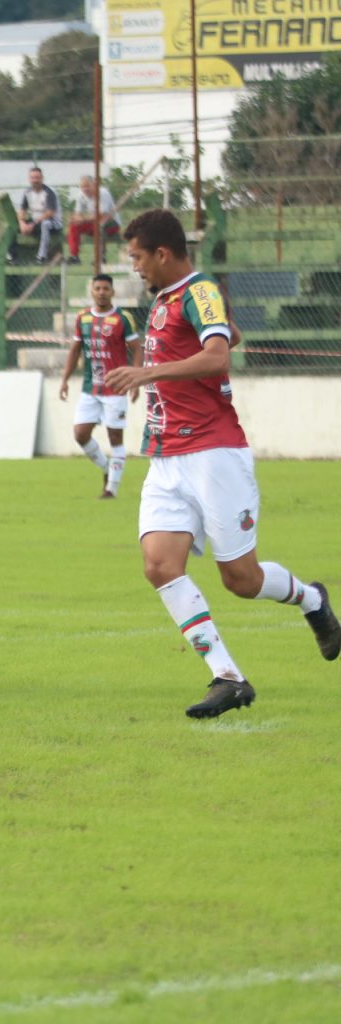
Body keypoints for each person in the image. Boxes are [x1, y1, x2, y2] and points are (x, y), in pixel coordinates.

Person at [103, 209, 339, 718]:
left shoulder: (198, 288)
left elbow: (217, 356)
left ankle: (311, 599)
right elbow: (227, 334)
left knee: (242, 580)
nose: (136, 268)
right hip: (166, 457)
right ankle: (227, 677)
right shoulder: (169, 299)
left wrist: (148, 373)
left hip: (213, 453)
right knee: (159, 565)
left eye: (138, 258)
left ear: (163, 254)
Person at [59, 274, 142, 498]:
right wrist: (65, 379)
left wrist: (135, 381)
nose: (102, 292)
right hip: (90, 388)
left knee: (115, 438)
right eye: (98, 288)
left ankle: (111, 489)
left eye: (106, 288)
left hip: (115, 388)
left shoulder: (122, 318)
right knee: (80, 434)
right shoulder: (83, 318)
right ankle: (107, 469)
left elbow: (137, 349)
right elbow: (75, 350)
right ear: (92, 291)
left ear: (112, 292)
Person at [11, 166, 62, 265]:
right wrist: (22, 223)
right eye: (33, 178)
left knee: (45, 224)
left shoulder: (49, 193)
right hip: (36, 222)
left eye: (37, 178)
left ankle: (41, 257)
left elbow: (50, 213)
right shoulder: (27, 192)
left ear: (42, 178)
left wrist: (33, 224)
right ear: (29, 179)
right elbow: (22, 210)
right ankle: (12, 256)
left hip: (53, 222)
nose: (35, 180)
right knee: (12, 226)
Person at [67, 175, 120, 265]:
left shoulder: (103, 193)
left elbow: (103, 215)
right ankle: (75, 257)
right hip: (93, 222)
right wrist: (75, 219)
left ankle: (100, 257)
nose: (85, 189)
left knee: (100, 225)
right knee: (74, 225)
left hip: (111, 223)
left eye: (87, 186)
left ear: (94, 185)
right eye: (82, 186)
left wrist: (83, 219)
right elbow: (78, 213)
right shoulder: (81, 195)